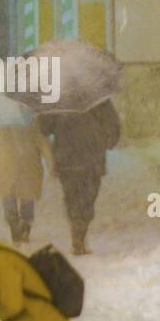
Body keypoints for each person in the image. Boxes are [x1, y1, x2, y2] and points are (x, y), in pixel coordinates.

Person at [41, 97, 120, 255]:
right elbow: (112, 124)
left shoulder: (59, 98)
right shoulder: (98, 98)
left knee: (71, 195)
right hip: (92, 156)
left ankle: (77, 230)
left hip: (67, 157)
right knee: (89, 195)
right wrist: (109, 141)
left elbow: (45, 126)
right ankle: (80, 230)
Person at [0, 116, 54, 245]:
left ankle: (13, 224)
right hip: (29, 161)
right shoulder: (34, 119)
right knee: (28, 194)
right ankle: (25, 225)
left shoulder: (3, 116)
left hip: (8, 162)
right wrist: (51, 164)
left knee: (8, 194)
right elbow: (44, 143)